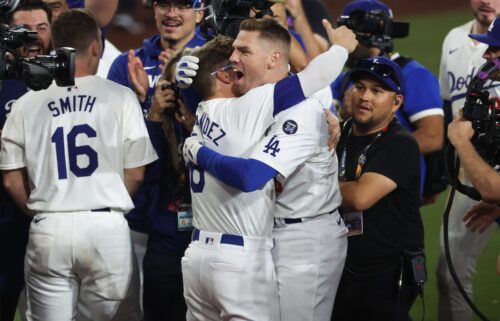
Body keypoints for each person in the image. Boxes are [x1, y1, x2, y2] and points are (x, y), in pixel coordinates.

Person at [178, 18, 357, 321]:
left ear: (274, 58)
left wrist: (341, 49)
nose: (234, 59)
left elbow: (252, 175)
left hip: (304, 238)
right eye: (233, 51)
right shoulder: (247, 101)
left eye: (243, 51)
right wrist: (188, 87)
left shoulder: (298, 109)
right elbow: (213, 105)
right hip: (264, 235)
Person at [0, 9, 158, 321]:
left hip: (49, 226)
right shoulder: (121, 96)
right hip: (105, 226)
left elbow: (10, 179)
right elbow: (137, 172)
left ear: (56, 45)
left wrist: (38, 210)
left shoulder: (26, 101)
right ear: (96, 47)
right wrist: (104, 197)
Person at [106, 1, 205, 319]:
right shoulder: (127, 64)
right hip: (143, 216)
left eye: (183, 5)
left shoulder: (220, 59)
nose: (171, 13)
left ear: (200, 12)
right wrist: (147, 109)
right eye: (164, 3)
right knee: (141, 310)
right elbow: (112, 144)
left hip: (211, 216)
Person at [331, 57, 424, 321]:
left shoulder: (400, 144)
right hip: (343, 263)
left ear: (397, 102)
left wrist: (310, 187)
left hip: (388, 271)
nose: (364, 96)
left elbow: (360, 197)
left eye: (377, 90)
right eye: (359, 87)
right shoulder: (341, 132)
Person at [333, 0, 444, 203]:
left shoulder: (414, 74)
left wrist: (375, 163)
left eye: (347, 31)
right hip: (347, 187)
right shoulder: (344, 80)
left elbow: (432, 136)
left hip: (388, 188)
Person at [437, 2, 500, 320]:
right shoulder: (454, 39)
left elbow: (493, 188)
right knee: (450, 273)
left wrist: (460, 141)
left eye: (495, 52)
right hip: (478, 171)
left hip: (484, 175)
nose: (486, 59)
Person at [0, 3, 53, 320]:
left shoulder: (66, 78)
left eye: (42, 28)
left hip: (54, 220)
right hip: (5, 223)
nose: (34, 37)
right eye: (25, 30)